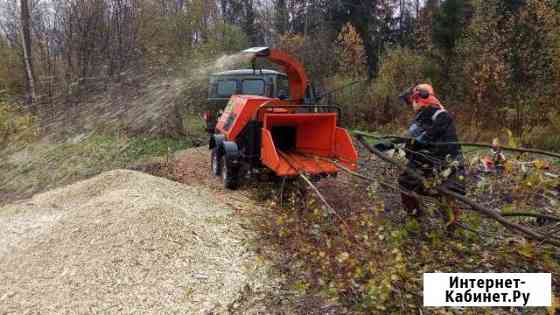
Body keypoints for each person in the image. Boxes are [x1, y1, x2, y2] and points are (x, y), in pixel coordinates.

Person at [375, 83, 466, 231]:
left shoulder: (440, 115)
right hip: (430, 160)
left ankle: (439, 226)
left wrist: (400, 144)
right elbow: (410, 135)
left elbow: (422, 138)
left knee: (443, 193)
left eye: (412, 101)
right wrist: (388, 144)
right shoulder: (426, 114)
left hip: (444, 161)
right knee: (418, 185)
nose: (411, 105)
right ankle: (417, 221)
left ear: (420, 98)